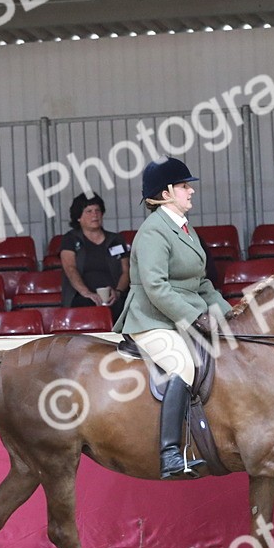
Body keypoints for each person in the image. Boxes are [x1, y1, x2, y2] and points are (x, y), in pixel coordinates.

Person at [114, 158, 232, 480]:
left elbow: (201, 283)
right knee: (183, 365)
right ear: (166, 193)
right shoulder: (153, 232)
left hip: (181, 314)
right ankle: (169, 453)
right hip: (151, 319)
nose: (190, 191)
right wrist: (194, 318)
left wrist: (227, 313)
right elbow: (155, 287)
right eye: (184, 186)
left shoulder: (184, 228)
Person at [59, 193, 130, 322]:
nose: (95, 214)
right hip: (82, 297)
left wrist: (118, 291)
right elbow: (70, 268)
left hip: (114, 297)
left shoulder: (116, 239)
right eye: (89, 211)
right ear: (78, 217)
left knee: (125, 306)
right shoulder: (70, 239)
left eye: (97, 210)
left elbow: (126, 271)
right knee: (86, 306)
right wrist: (87, 293)